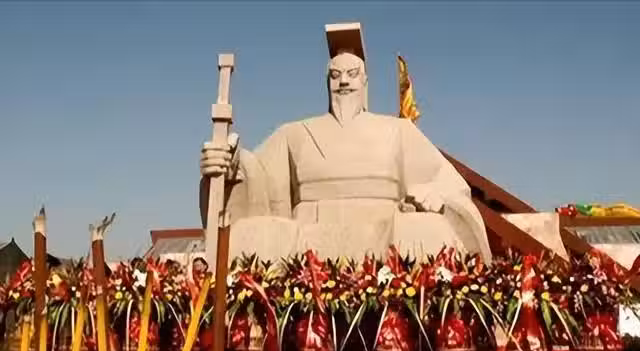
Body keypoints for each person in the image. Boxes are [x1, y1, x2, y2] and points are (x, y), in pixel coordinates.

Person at [200, 23, 491, 263]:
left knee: (427, 231)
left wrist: (435, 193)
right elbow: (257, 181)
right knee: (254, 234)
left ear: (365, 83)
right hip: (306, 240)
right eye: (335, 75)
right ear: (326, 82)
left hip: (385, 234)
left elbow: (449, 184)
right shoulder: (294, 132)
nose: (343, 82)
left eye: (352, 75)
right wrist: (231, 166)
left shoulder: (398, 130)